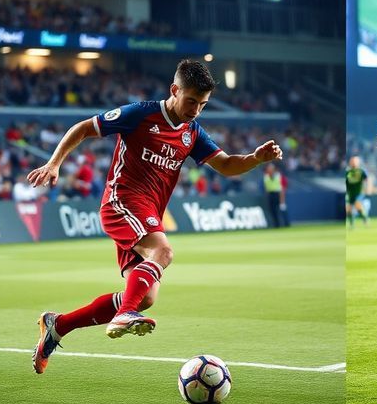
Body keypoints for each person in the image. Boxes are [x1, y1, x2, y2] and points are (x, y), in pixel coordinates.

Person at [28, 59, 282, 374]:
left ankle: (58, 325)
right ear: (174, 90)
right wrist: (54, 164)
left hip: (148, 213)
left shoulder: (192, 132)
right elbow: (83, 128)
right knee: (163, 252)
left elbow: (227, 164)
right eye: (191, 101)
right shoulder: (140, 114)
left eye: (202, 105)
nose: (196, 110)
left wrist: (255, 158)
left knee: (145, 297)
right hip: (121, 202)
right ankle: (125, 314)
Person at [345, 155, 369, 228]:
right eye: (352, 161)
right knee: (348, 208)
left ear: (358, 162)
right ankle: (351, 224)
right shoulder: (348, 172)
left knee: (357, 204)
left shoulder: (361, 171)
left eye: (355, 161)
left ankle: (365, 219)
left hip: (359, 192)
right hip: (350, 193)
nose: (353, 162)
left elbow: (367, 180)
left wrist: (367, 189)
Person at [263, 162, 287, 228]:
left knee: (281, 209)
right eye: (268, 169)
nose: (270, 170)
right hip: (270, 195)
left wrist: (282, 200)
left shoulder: (279, 176)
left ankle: (286, 224)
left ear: (274, 169)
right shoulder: (266, 177)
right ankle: (276, 225)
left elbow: (282, 188)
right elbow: (266, 188)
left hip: (278, 194)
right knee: (272, 210)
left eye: (271, 168)